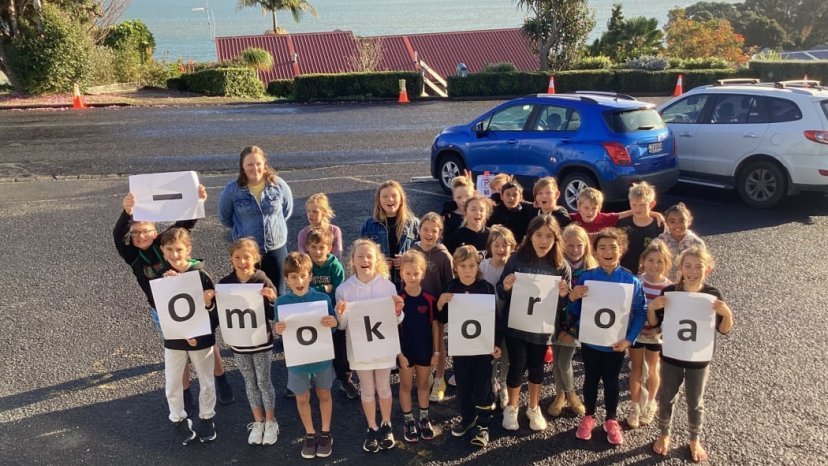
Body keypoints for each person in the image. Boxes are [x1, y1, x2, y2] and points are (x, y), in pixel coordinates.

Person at [114, 187, 229, 408]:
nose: (141, 236)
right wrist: (126, 212)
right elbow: (117, 236)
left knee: (208, 345)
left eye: (146, 231)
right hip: (163, 312)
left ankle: (221, 379)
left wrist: (197, 201)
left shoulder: (164, 243)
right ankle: (185, 393)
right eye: (135, 233)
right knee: (179, 352)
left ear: (155, 231)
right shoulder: (132, 255)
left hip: (193, 305)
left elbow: (184, 225)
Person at [648, 246, 733, 463]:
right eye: (688, 266)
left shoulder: (712, 295)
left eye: (698, 267)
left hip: (699, 358)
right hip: (672, 355)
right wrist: (652, 308)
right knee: (667, 396)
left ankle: (694, 438)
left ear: (708, 269)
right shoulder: (669, 292)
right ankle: (664, 433)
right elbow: (654, 324)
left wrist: (727, 314)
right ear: (680, 267)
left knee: (695, 400)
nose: (693, 271)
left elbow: (724, 330)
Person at [568, 228, 646, 446]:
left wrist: (630, 339)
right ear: (595, 251)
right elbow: (574, 311)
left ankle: (611, 420)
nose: (608, 251)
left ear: (621, 250)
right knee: (591, 379)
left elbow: (641, 311)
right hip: (591, 341)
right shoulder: (587, 277)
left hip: (616, 343)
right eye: (602, 247)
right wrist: (573, 297)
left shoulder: (631, 280)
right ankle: (589, 416)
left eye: (613, 247)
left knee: (611, 382)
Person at [498, 215, 572, 432]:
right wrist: (507, 286)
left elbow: (565, 305)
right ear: (530, 236)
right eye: (538, 235)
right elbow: (502, 292)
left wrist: (564, 295)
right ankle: (512, 407)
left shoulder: (561, 265)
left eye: (549, 236)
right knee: (517, 365)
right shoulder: (517, 259)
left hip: (541, 327)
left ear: (556, 239)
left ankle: (533, 406)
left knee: (537, 367)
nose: (543, 240)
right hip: (516, 324)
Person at [335, 239, 405, 453]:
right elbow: (342, 325)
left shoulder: (388, 285)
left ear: (376, 260)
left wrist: (398, 311)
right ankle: (371, 427)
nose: (365, 260)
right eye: (360, 256)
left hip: (383, 347)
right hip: (359, 349)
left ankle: (386, 424)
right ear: (352, 261)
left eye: (369, 256)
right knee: (367, 389)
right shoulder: (344, 289)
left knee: (383, 387)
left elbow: (397, 320)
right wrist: (340, 313)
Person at [156, 228, 219, 445]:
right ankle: (178, 419)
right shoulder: (161, 276)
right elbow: (164, 311)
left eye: (179, 249)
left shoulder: (202, 275)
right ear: (163, 252)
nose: (175, 254)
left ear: (188, 250)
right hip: (174, 340)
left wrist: (209, 303)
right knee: (172, 380)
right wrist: (167, 284)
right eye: (169, 250)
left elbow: (215, 311)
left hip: (201, 340)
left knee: (206, 380)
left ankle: (207, 418)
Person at [273, 252, 338, 459]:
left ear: (310, 276)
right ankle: (310, 433)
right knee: (302, 398)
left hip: (321, 357)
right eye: (293, 277)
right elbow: (279, 329)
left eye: (302, 275)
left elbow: (333, 327)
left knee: (324, 394)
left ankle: (326, 432)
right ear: (286, 280)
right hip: (298, 360)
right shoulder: (281, 303)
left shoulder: (323, 299)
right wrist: (279, 329)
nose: (298, 281)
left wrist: (333, 323)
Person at [437, 245, 501, 448]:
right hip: (461, 349)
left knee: (482, 386)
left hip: (483, 350)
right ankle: (467, 418)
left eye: (471, 265)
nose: (467, 270)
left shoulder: (486, 288)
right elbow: (443, 319)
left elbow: (495, 320)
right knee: (463, 386)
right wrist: (440, 304)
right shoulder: (450, 288)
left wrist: (496, 343)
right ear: (455, 267)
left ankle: (483, 425)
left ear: (478, 266)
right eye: (462, 266)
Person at [216, 238, 279, 445]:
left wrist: (272, 300)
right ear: (231, 259)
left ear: (255, 258)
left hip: (261, 342)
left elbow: (273, 315)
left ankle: (271, 421)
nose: (242, 262)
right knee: (250, 382)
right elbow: (219, 315)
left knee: (263, 381)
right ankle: (258, 421)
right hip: (239, 344)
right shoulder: (224, 284)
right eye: (237, 257)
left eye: (247, 257)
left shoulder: (262, 279)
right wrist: (209, 301)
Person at [218, 145, 294, 294]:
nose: (255, 168)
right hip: (247, 253)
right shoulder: (232, 190)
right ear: (243, 166)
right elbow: (225, 218)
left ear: (264, 164)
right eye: (249, 164)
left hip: (275, 249)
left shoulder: (278, 185)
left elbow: (286, 210)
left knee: (277, 293)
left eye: (258, 163)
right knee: (250, 295)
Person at [547, 224, 594, 418]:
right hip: (555, 320)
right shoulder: (555, 265)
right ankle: (560, 395)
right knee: (556, 361)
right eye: (569, 245)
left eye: (579, 245)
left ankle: (572, 394)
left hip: (575, 324)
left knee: (564, 361)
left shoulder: (591, 270)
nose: (574, 250)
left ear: (586, 247)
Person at [305, 227, 357, 399]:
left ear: (329, 248)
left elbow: (338, 290)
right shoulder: (307, 265)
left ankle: (345, 380)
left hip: (333, 315)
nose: (317, 251)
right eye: (313, 247)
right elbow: (302, 288)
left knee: (339, 350)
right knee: (314, 349)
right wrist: (322, 288)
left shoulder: (335, 266)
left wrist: (317, 290)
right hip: (312, 314)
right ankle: (310, 381)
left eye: (321, 247)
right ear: (307, 247)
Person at [627, 240, 673, 429]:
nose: (655, 265)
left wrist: (658, 329)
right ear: (643, 261)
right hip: (636, 332)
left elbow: (671, 315)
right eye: (651, 260)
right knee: (636, 368)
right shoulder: (636, 282)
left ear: (666, 264)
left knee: (653, 368)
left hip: (655, 334)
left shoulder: (670, 288)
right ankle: (635, 406)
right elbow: (628, 308)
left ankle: (651, 402)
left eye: (660, 261)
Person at [396, 250, 439, 443]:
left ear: (422, 273)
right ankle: (408, 420)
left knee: (423, 385)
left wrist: (436, 352)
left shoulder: (429, 299)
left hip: (425, 351)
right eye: (407, 273)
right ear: (401, 274)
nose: (412, 277)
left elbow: (436, 327)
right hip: (405, 352)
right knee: (405, 386)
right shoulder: (398, 300)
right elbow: (392, 329)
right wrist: (399, 354)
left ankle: (423, 417)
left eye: (416, 273)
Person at [410, 212, 454, 403]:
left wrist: (444, 303)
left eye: (434, 231)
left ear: (440, 233)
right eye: (425, 229)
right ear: (419, 230)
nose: (429, 234)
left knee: (438, 343)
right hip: (417, 305)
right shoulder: (412, 251)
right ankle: (425, 375)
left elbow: (450, 283)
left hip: (437, 307)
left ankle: (439, 379)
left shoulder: (443, 255)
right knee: (421, 340)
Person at [480, 225, 518, 408]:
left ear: (512, 247)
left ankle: (503, 385)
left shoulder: (515, 268)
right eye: (497, 245)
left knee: (507, 355)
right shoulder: (482, 267)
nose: (501, 249)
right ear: (490, 246)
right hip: (488, 320)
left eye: (506, 245)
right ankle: (490, 384)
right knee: (491, 354)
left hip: (509, 318)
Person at [360, 180, 419, 289]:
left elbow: (424, 253)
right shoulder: (369, 225)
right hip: (379, 282)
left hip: (407, 283)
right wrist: (378, 263)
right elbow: (361, 256)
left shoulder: (414, 224)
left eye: (394, 195)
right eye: (385, 196)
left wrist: (408, 259)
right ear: (379, 200)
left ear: (401, 199)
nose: (390, 199)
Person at [618, 182, 667, 272]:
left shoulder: (659, 225)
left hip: (649, 273)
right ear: (630, 203)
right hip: (624, 272)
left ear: (651, 204)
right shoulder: (622, 224)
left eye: (642, 205)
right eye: (634, 205)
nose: (637, 208)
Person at [571, 188, 662, 236]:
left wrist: (653, 213)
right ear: (579, 206)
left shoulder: (604, 218)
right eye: (586, 208)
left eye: (594, 208)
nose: (590, 212)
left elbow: (628, 213)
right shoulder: (571, 219)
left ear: (599, 208)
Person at [297, 193, 344, 259]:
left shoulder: (335, 230)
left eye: (315, 211)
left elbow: (338, 254)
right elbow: (303, 257)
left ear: (324, 212)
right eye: (308, 211)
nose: (311, 214)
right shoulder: (303, 233)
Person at [441, 175, 475, 239]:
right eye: (459, 197)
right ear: (453, 197)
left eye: (467, 196)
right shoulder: (447, 216)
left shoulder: (480, 214)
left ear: (473, 194)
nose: (463, 200)